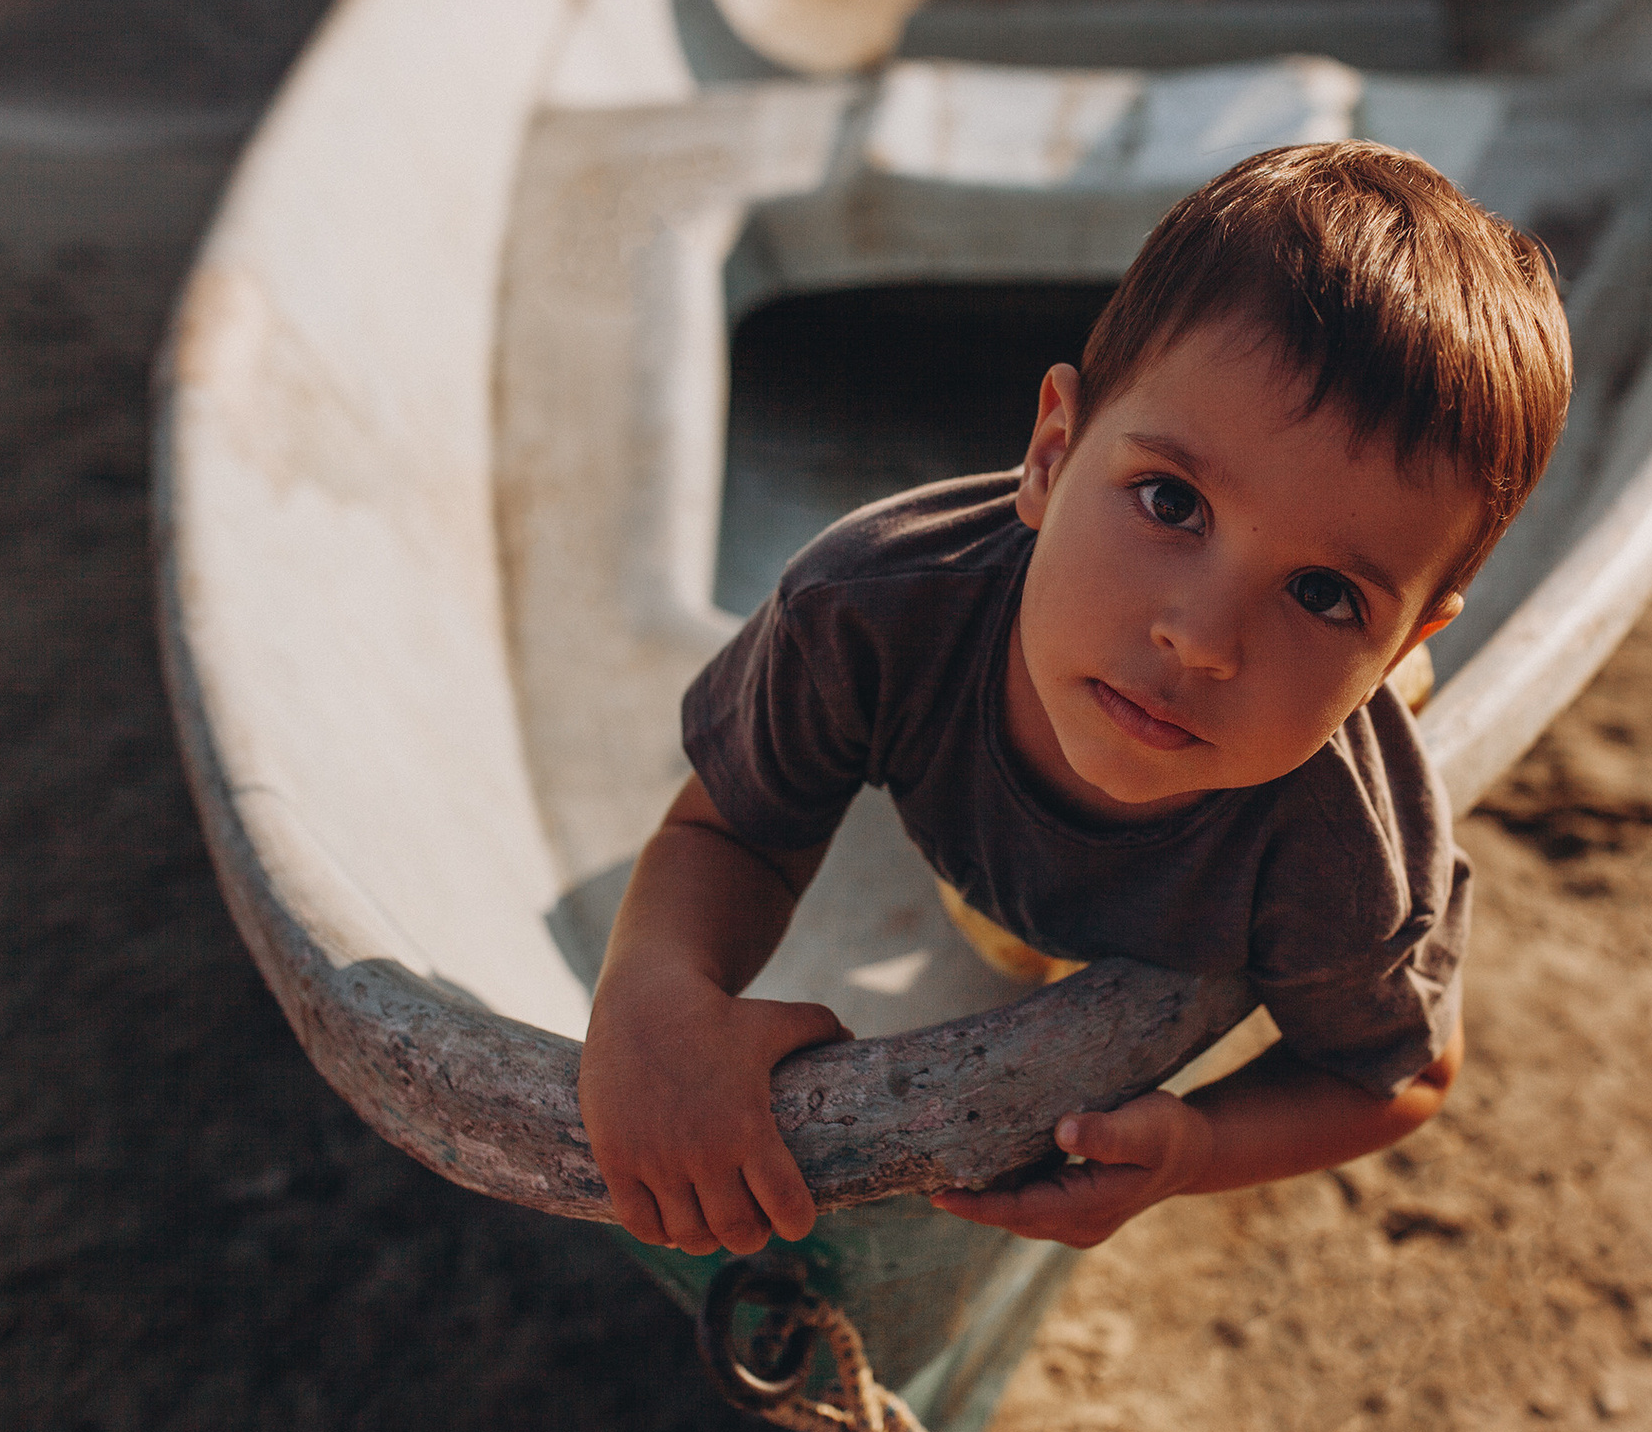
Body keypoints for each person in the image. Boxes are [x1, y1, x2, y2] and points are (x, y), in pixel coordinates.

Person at [577, 140, 1573, 1257]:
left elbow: (1401, 1074)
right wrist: (651, 1002)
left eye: (1322, 593)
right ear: (1050, 452)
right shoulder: (867, 611)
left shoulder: (1337, 846)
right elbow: (732, 832)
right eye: (1169, 500)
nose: (1198, 640)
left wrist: (1193, 1151)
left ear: (1396, 651)